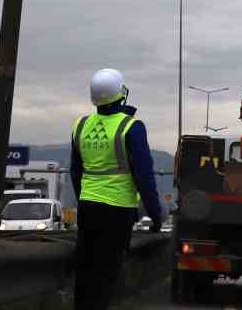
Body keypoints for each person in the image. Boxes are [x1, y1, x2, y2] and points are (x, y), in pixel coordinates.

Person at [69, 68, 163, 310]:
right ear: (121, 94)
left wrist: (83, 201)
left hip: (88, 208)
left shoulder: (80, 126)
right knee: (106, 276)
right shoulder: (131, 127)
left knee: (85, 274)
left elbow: (75, 171)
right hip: (118, 211)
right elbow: (144, 177)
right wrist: (155, 215)